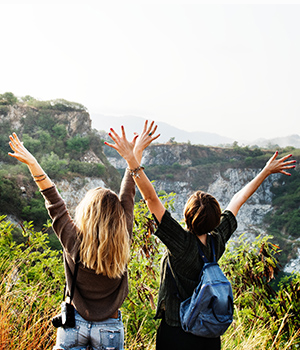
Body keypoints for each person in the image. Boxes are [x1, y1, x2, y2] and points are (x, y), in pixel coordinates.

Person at [105, 120, 296, 350]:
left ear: (186, 217)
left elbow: (151, 199)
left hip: (176, 330)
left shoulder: (181, 243)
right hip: (208, 332)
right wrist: (265, 171)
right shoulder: (217, 241)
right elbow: (238, 200)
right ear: (216, 219)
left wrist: (132, 159)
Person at [8, 128, 158, 350]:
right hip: (109, 327)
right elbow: (128, 192)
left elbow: (52, 198)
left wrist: (33, 163)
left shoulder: (72, 239)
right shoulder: (123, 234)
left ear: (86, 213)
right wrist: (134, 155)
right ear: (118, 217)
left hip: (73, 323)